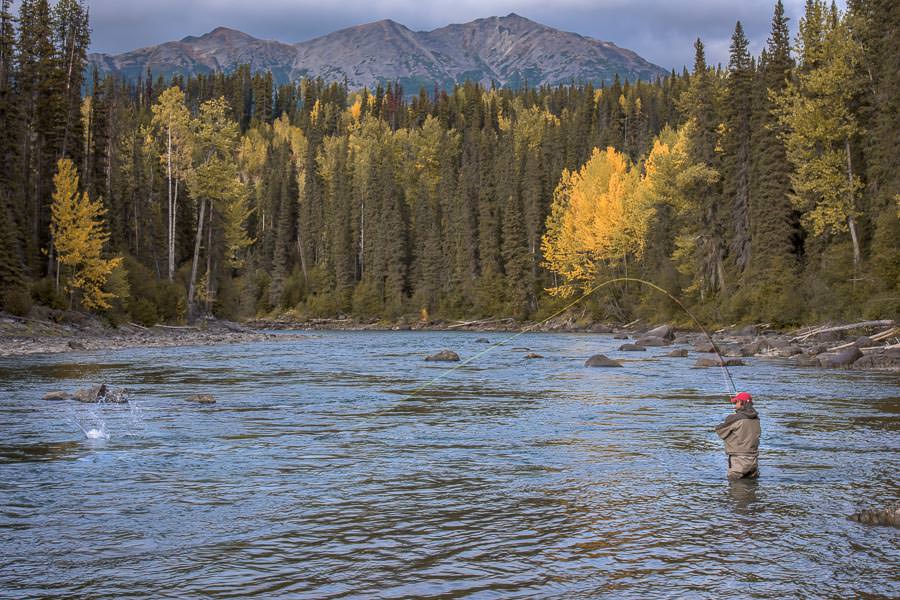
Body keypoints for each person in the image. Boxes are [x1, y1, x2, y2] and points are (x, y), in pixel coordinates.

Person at [715, 391, 760, 480]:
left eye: (736, 402)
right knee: (751, 487)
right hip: (753, 461)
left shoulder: (734, 418)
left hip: (738, 462)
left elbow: (720, 431)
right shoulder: (757, 419)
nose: (735, 406)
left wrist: (732, 418)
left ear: (741, 403)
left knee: (736, 487)